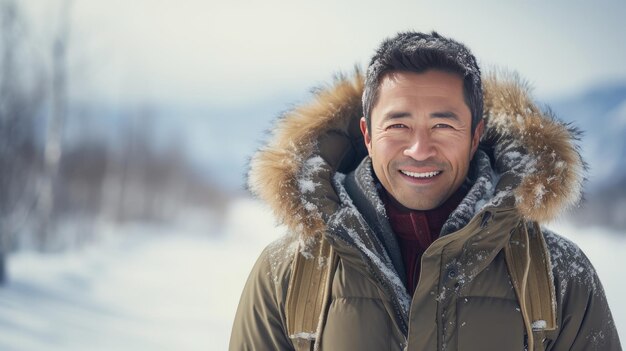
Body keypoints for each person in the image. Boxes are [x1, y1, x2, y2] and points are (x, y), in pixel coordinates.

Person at [229, 31, 622, 350]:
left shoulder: (558, 276)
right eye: (398, 125)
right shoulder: (287, 271)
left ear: (475, 135)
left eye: (443, 126)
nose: (419, 150)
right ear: (367, 135)